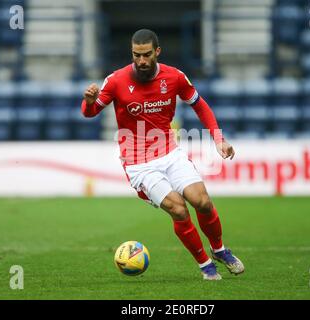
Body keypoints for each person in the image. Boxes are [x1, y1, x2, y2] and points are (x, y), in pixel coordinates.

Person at [81, 29, 244, 279]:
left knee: (202, 201)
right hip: (138, 163)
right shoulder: (115, 80)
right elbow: (89, 113)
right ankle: (205, 265)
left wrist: (218, 138)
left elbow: (200, 105)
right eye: (136, 55)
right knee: (178, 209)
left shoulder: (175, 77)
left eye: (146, 55)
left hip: (169, 152)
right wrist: (90, 102)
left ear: (157, 51)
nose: (141, 61)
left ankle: (220, 250)